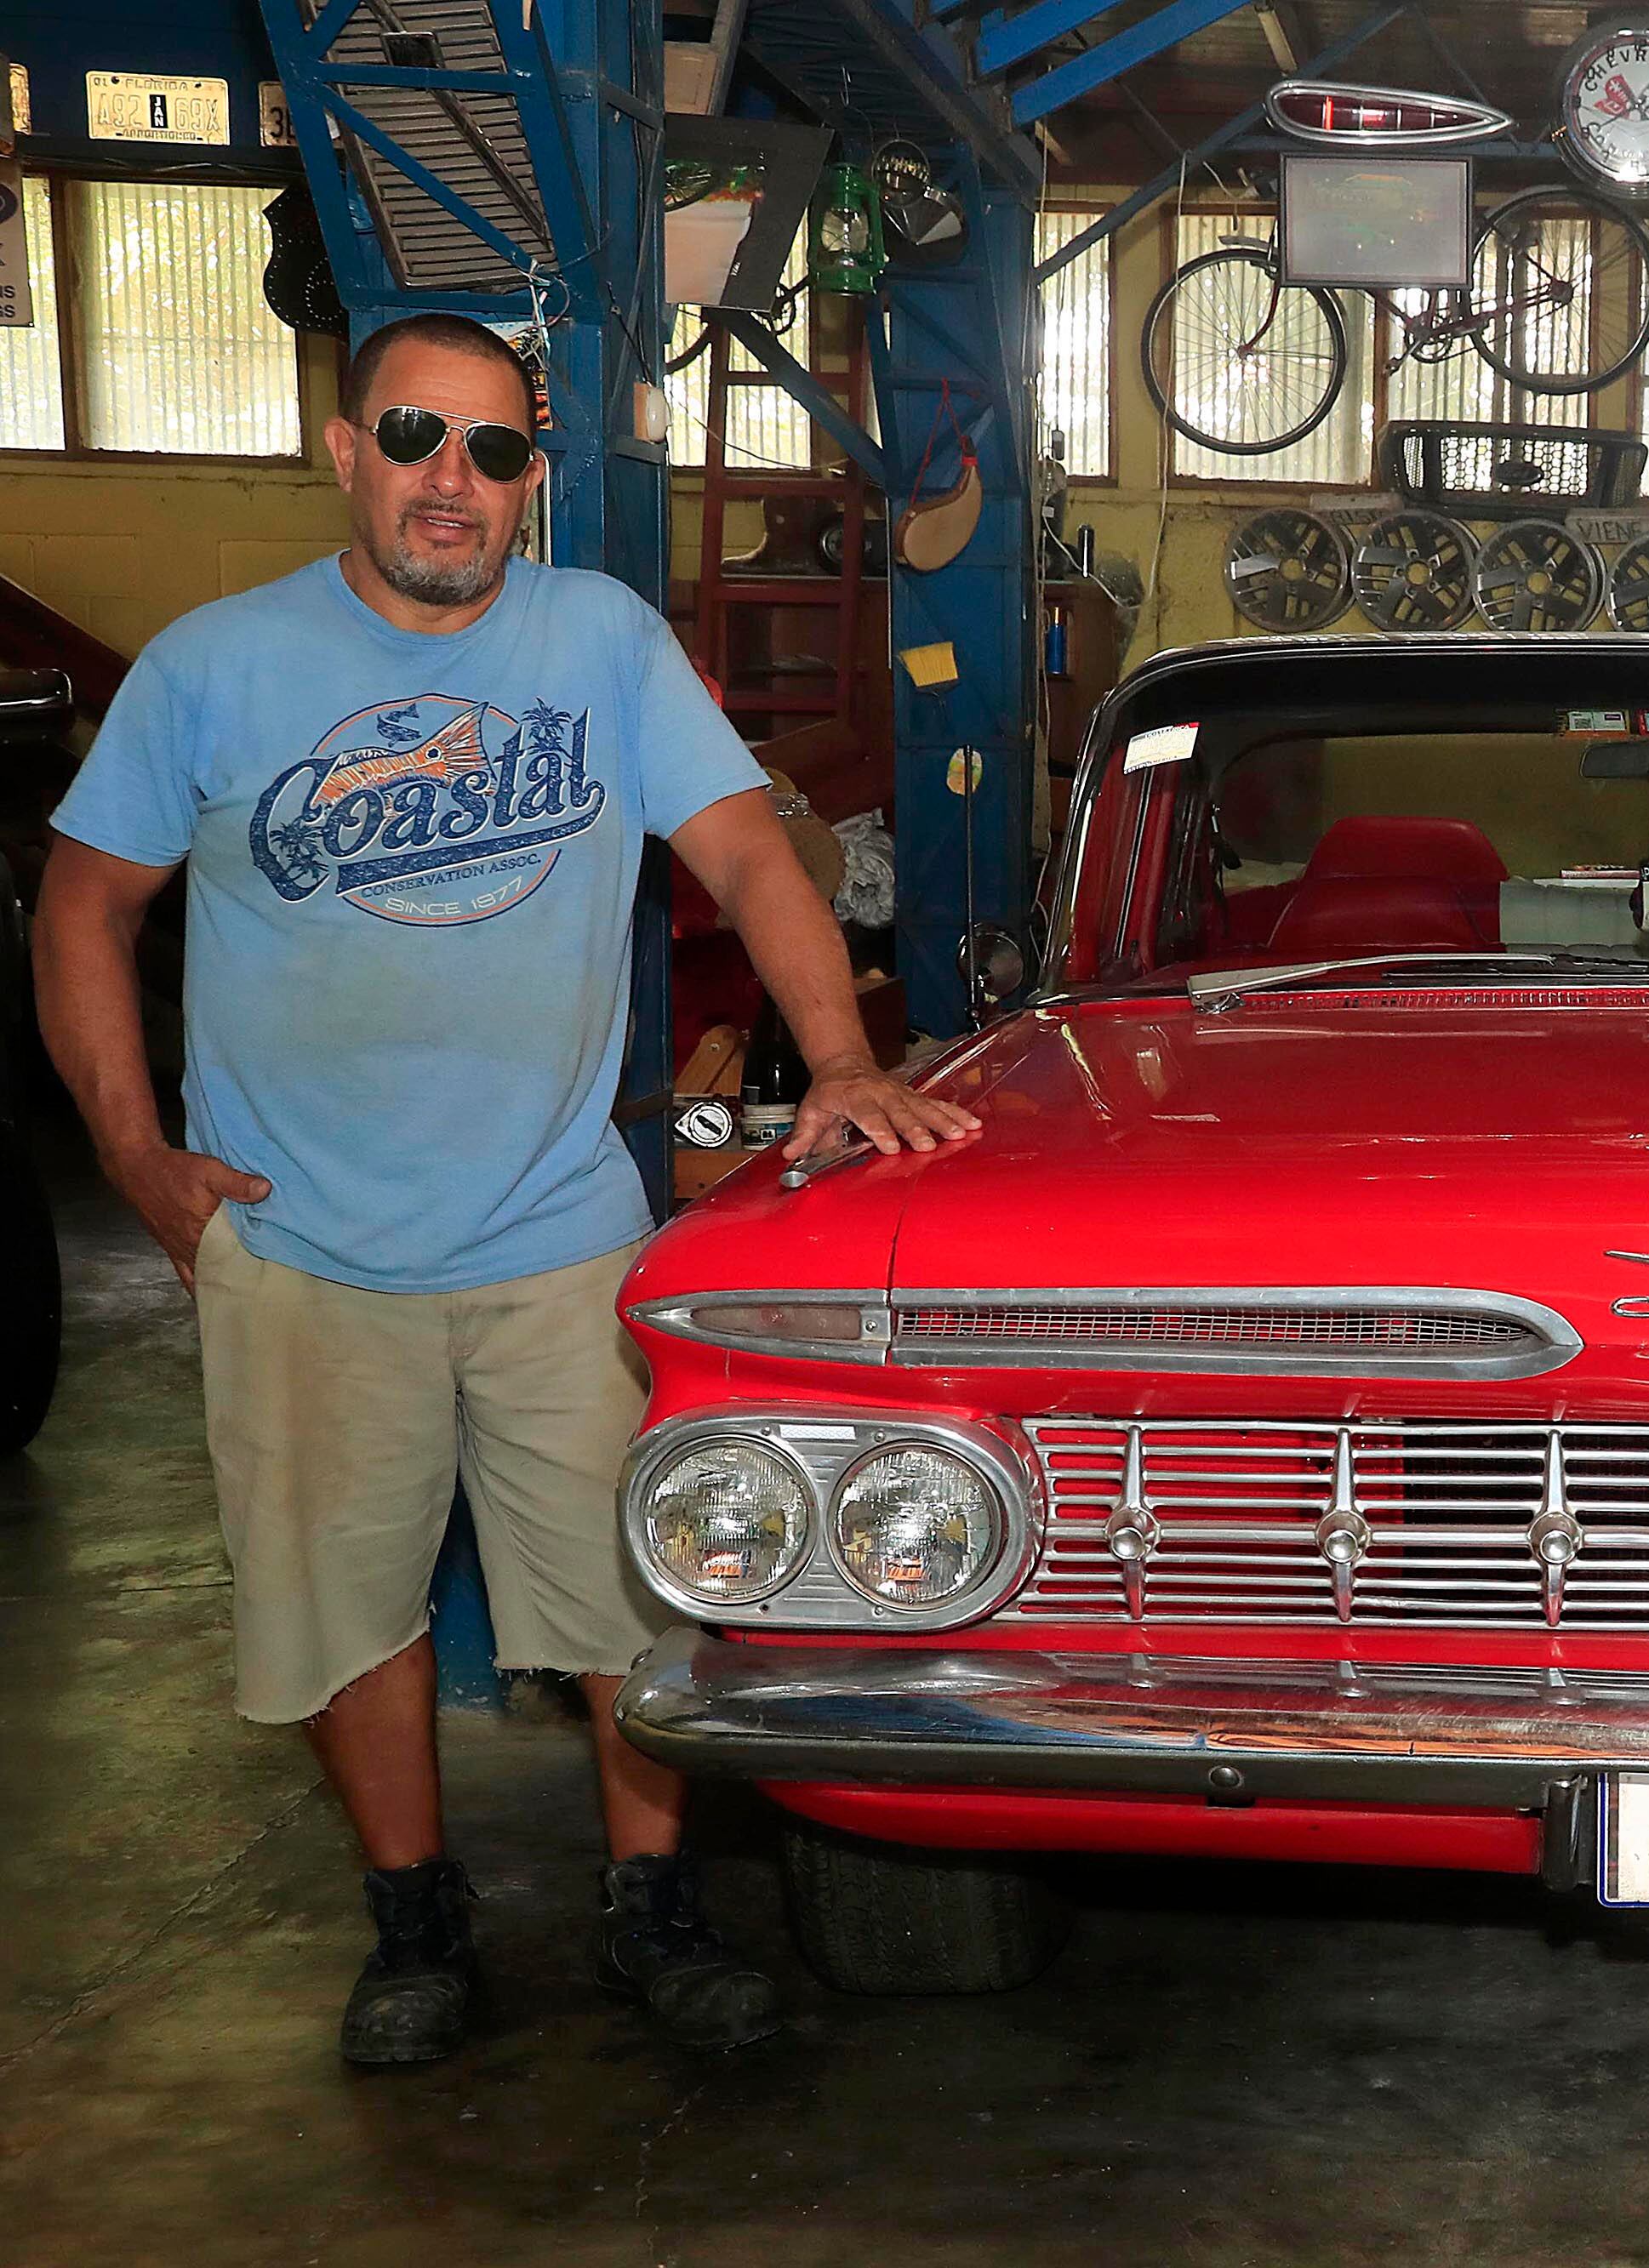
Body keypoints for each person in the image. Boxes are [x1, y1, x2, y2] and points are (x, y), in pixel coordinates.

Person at [33, 313, 981, 2066]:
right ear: (344, 451)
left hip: (561, 1236)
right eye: (413, 437)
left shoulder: (601, 640)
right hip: (303, 1244)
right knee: (343, 1613)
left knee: (640, 1592)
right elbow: (86, 903)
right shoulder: (213, 667)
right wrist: (132, 1156)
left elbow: (750, 850)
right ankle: (415, 1918)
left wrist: (840, 1060)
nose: (447, 481)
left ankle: (652, 1906)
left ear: (531, 478)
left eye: (488, 451)